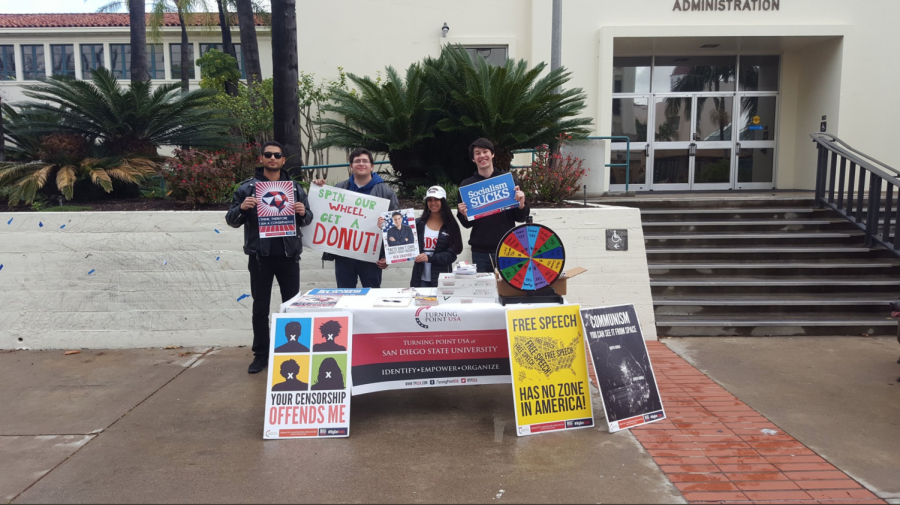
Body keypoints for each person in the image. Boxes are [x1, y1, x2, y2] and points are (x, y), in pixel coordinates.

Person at [225, 141, 314, 374]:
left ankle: (296, 351)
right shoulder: (247, 188)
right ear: (262, 159)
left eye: (277, 155)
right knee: (260, 307)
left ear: (283, 160)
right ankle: (261, 355)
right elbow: (231, 220)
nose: (272, 158)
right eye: (268, 155)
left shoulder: (294, 188)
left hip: (289, 255)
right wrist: (242, 208)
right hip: (260, 258)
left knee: (293, 307)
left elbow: (308, 218)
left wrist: (304, 213)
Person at [312, 148, 400, 288]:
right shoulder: (339, 189)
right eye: (357, 161)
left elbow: (396, 226)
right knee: (344, 295)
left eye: (365, 161)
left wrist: (388, 256)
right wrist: (319, 189)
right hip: (344, 255)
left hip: (372, 256)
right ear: (351, 166)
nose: (361, 164)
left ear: (372, 166)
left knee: (372, 296)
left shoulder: (386, 192)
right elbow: (322, 213)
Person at [456, 138, 529, 273]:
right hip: (480, 251)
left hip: (508, 247)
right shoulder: (466, 186)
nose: (482, 156)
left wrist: (521, 204)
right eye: (477, 153)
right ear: (473, 158)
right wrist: (464, 215)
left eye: (485, 151)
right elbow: (467, 225)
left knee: (508, 291)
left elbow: (521, 218)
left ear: (493, 154)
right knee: (484, 292)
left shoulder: (509, 180)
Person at [410, 186, 464, 287]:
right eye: (429, 200)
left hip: (442, 279)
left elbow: (453, 253)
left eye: (436, 199)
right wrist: (384, 225)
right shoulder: (418, 223)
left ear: (443, 201)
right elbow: (401, 238)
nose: (432, 203)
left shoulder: (450, 224)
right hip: (419, 278)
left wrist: (430, 258)